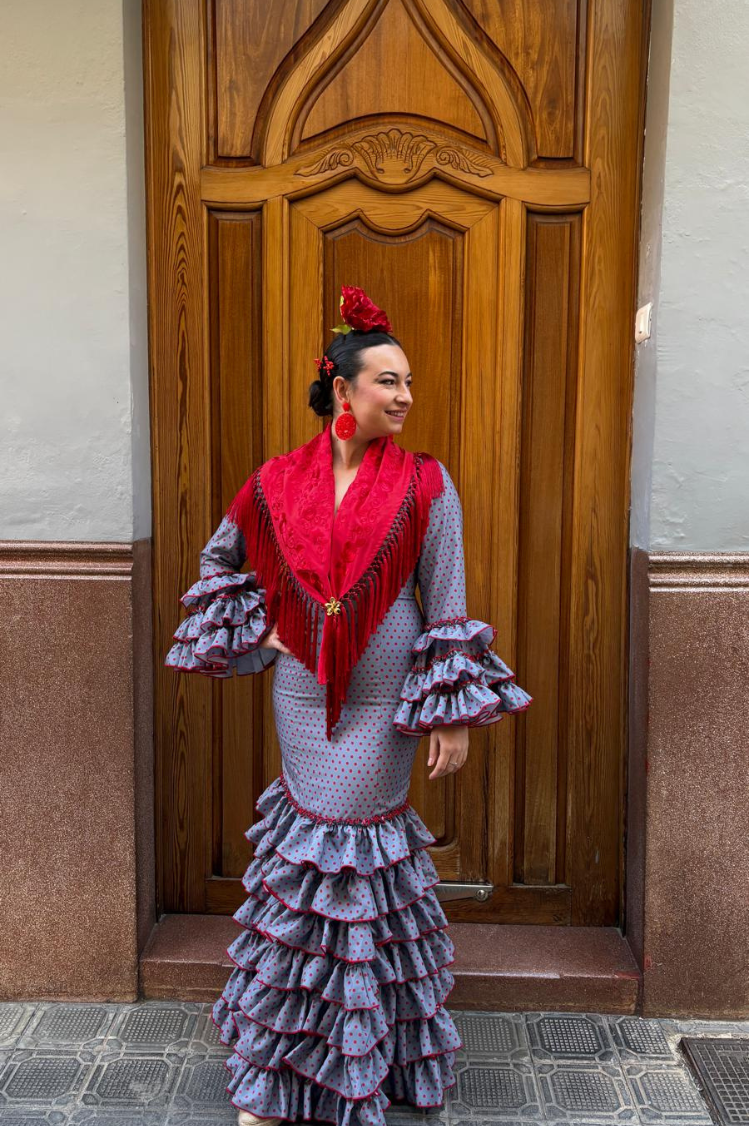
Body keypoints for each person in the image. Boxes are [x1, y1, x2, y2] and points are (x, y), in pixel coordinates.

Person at [165, 285, 533, 1126]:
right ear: (342, 388)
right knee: (310, 861)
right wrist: (266, 640)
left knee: (353, 853)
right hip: (301, 698)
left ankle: (365, 1057)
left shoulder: (427, 485)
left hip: (385, 694)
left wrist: (447, 713)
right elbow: (223, 566)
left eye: (408, 384)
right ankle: (281, 1068)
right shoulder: (274, 483)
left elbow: (447, 601)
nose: (404, 397)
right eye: (388, 381)